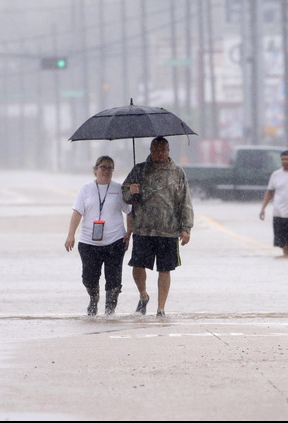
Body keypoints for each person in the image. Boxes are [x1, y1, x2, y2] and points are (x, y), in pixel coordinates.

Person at [122, 136, 194, 318]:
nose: (158, 153)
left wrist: (186, 228)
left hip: (168, 230)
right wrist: (131, 191)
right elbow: (124, 194)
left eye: (162, 150)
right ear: (150, 151)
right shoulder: (139, 170)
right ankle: (143, 295)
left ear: (168, 151)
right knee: (138, 266)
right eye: (155, 149)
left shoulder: (177, 172)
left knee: (165, 269)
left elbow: (185, 200)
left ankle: (161, 308)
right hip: (142, 229)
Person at [65, 156, 133, 316]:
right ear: (95, 169)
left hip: (115, 241)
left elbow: (129, 212)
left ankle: (110, 310)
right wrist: (70, 235)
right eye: (103, 167)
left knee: (114, 279)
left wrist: (129, 233)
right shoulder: (85, 189)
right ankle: (93, 298)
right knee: (89, 278)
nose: (106, 171)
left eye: (110, 168)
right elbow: (77, 213)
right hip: (89, 242)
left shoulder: (119, 189)